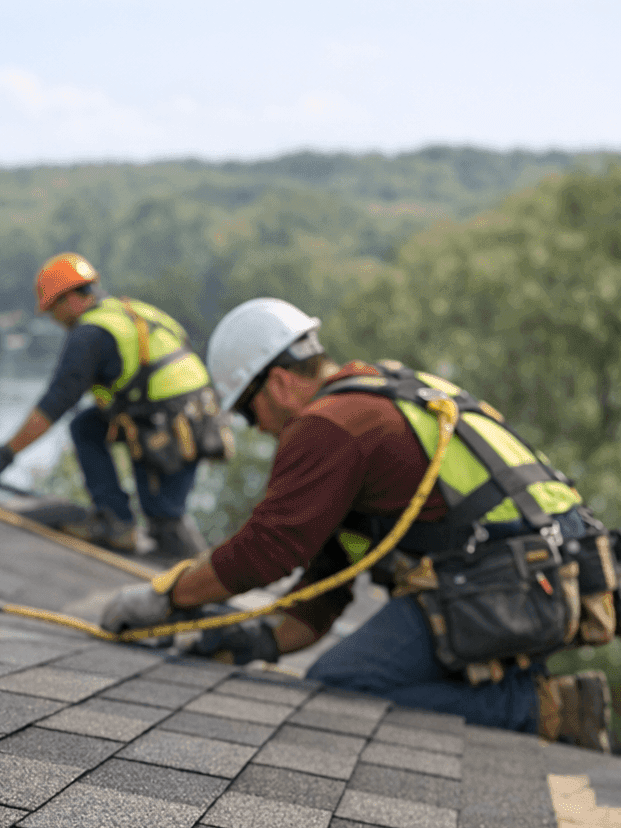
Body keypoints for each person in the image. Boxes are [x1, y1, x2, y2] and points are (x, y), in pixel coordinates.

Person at [98, 296, 614, 745]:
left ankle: (540, 709)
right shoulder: (380, 395)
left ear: (277, 384)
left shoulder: (330, 425)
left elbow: (268, 549)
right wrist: (253, 640)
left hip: (507, 582)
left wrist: (165, 596)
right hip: (540, 572)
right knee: (351, 674)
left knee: (345, 685)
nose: (257, 430)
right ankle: (521, 692)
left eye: (249, 415)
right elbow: (325, 587)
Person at [0, 253, 228, 560]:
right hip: (194, 414)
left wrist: (2, 456)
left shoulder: (90, 334)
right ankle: (115, 519)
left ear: (71, 298)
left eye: (53, 309)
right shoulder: (126, 312)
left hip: (168, 423)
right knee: (87, 425)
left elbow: (53, 405)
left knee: (165, 518)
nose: (54, 319)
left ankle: (209, 592)